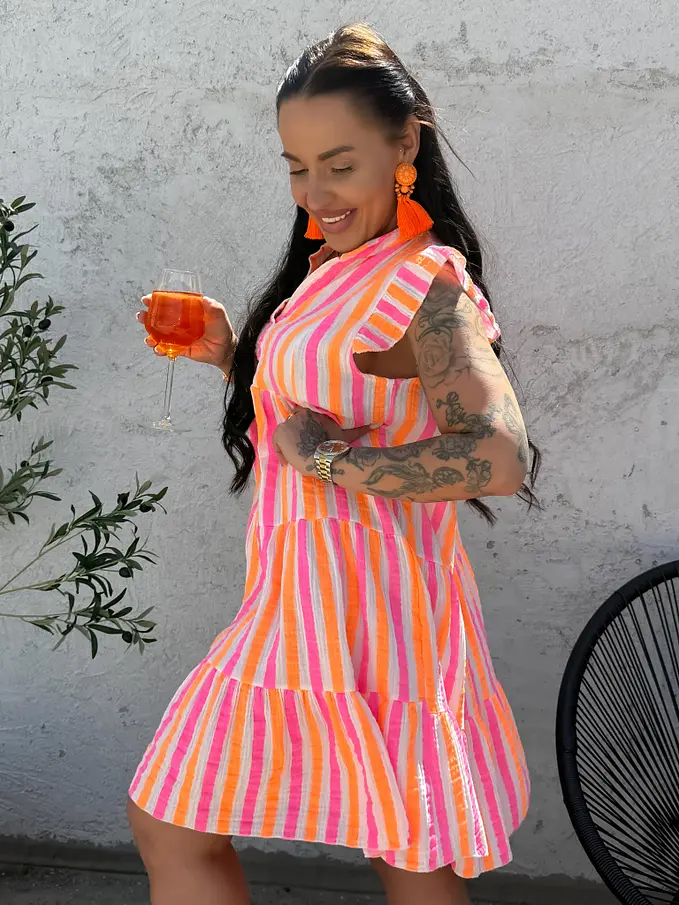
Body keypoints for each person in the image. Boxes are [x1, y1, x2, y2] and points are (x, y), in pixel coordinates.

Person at [128, 23, 540, 905]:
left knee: (396, 845)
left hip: (374, 611)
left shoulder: (426, 281)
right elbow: (324, 410)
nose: (314, 193)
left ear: (405, 145)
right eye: (295, 167)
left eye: (338, 165)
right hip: (301, 599)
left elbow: (498, 457)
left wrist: (325, 461)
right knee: (206, 822)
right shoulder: (335, 269)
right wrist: (234, 356)